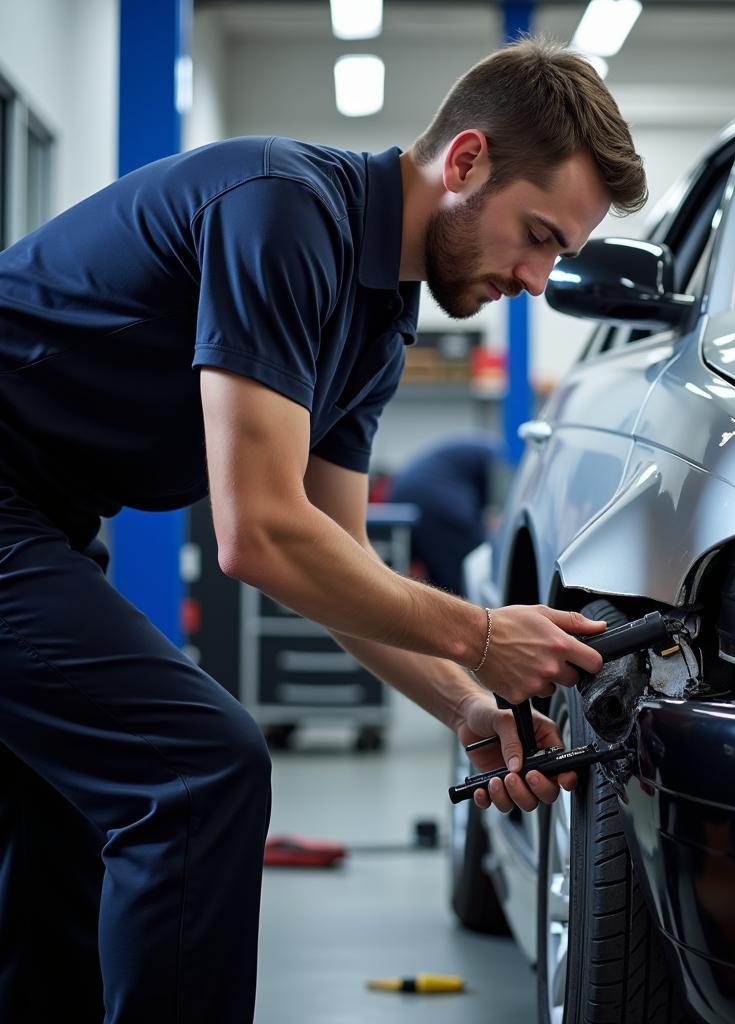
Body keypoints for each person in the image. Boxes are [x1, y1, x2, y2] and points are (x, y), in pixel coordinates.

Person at [0, 37, 647, 1024]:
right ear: (464, 161)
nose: (534, 279)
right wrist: (480, 636)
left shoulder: (377, 323)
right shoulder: (282, 210)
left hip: (45, 512)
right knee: (196, 765)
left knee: (63, 823)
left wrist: (465, 706)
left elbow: (331, 567)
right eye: (539, 236)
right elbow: (257, 534)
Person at [387, 434, 503, 595]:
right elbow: (499, 513)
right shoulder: (502, 458)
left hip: (402, 499)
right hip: (441, 503)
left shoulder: (480, 450)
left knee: (438, 579)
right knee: (464, 575)